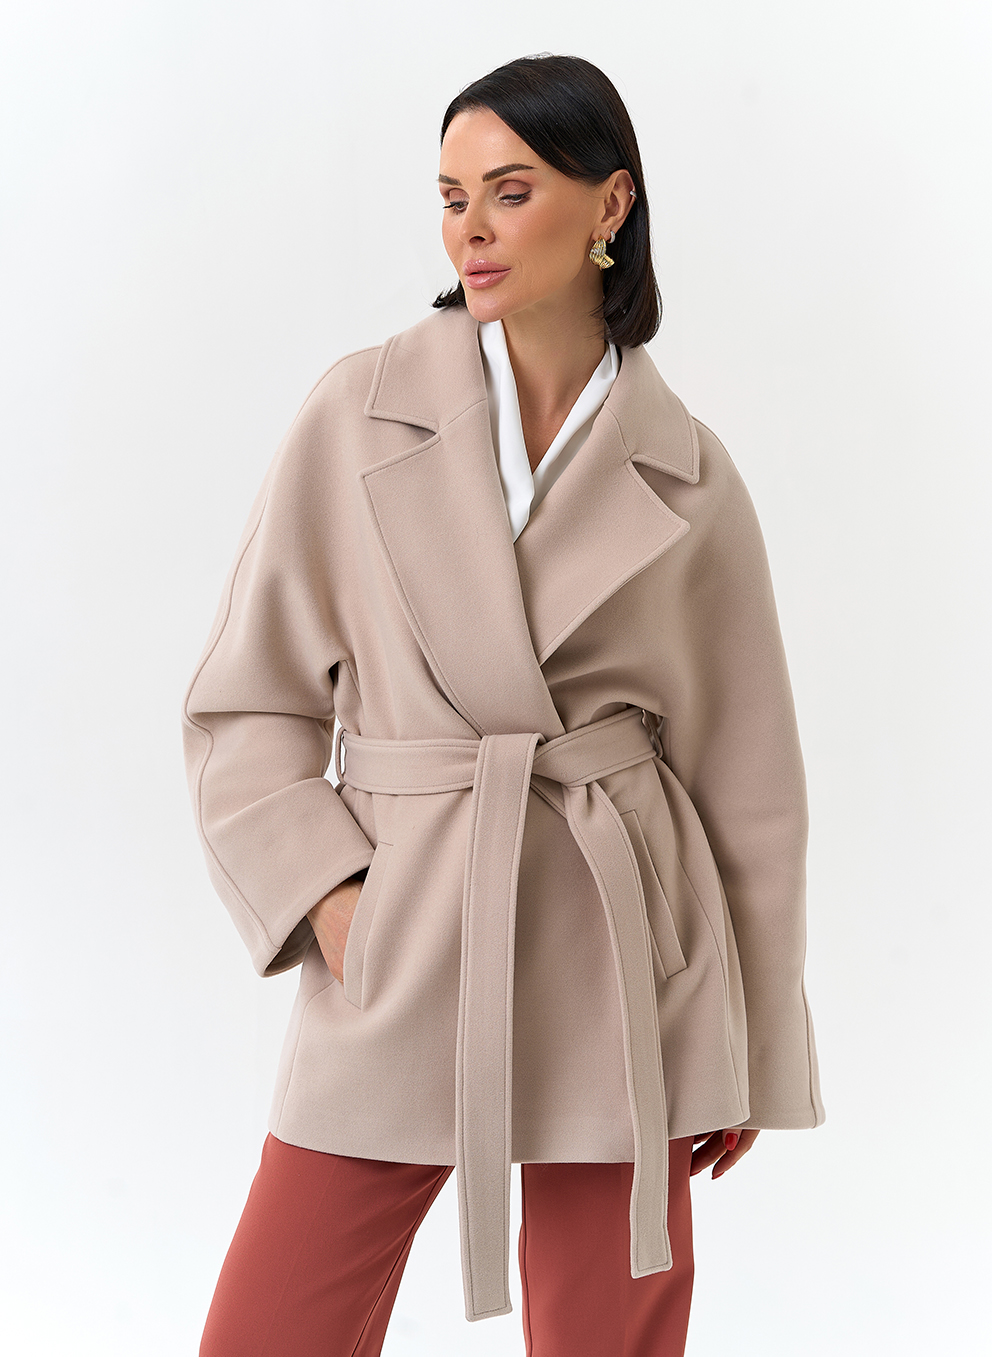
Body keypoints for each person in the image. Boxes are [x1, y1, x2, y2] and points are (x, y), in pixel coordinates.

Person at [182, 52, 825, 1357]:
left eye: (510, 191)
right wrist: (333, 900)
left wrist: (750, 1037)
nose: (469, 227)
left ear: (609, 206)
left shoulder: (689, 475)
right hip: (410, 915)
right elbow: (245, 702)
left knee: (607, 1335)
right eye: (450, 196)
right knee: (272, 1326)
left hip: (618, 949)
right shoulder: (358, 415)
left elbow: (750, 784)